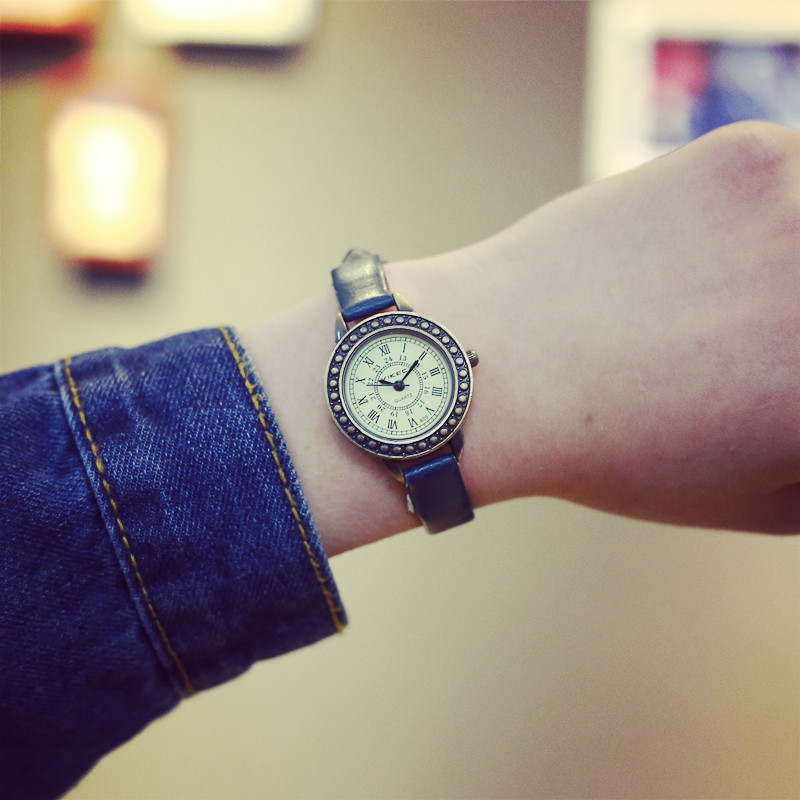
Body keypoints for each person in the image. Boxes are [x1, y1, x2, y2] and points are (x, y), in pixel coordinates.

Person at [2, 120, 799, 799]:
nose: (392, 382)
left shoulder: (418, 371)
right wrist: (537, 338)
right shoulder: (389, 384)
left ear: (459, 363)